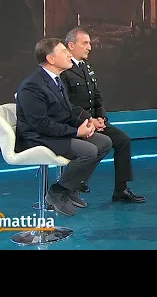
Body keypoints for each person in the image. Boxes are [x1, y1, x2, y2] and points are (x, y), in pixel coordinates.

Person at [15, 38, 113, 217]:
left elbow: (65, 112)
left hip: (54, 131)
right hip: (37, 137)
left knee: (104, 142)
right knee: (88, 151)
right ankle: (58, 191)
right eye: (64, 52)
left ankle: (71, 187)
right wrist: (76, 132)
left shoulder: (56, 80)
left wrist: (86, 123)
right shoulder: (32, 86)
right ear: (50, 59)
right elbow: (40, 124)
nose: (69, 55)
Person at [61, 27, 145, 203]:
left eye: (89, 43)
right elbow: (67, 104)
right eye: (85, 43)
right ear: (71, 45)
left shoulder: (86, 66)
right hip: (76, 124)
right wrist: (89, 120)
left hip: (94, 121)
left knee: (123, 140)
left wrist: (101, 118)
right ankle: (76, 181)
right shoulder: (64, 69)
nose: (89, 47)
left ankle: (121, 189)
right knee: (100, 144)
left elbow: (97, 95)